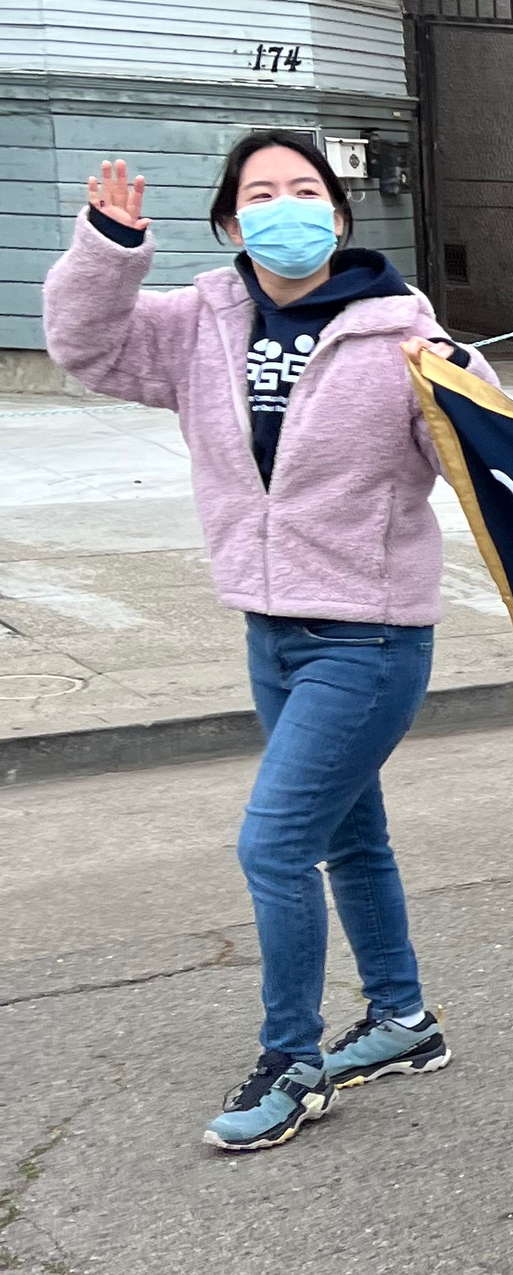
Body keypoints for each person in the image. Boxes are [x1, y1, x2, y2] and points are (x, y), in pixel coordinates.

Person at [43, 135, 483, 1151]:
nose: (284, 206)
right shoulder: (203, 321)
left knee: (275, 843)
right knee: (347, 836)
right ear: (233, 225)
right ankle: (404, 1022)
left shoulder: (403, 338)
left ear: (337, 215)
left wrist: (469, 386)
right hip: (270, 626)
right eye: (260, 195)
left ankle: (293, 1061)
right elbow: (89, 348)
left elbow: (487, 456)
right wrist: (109, 248)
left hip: (370, 638)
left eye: (304, 190)